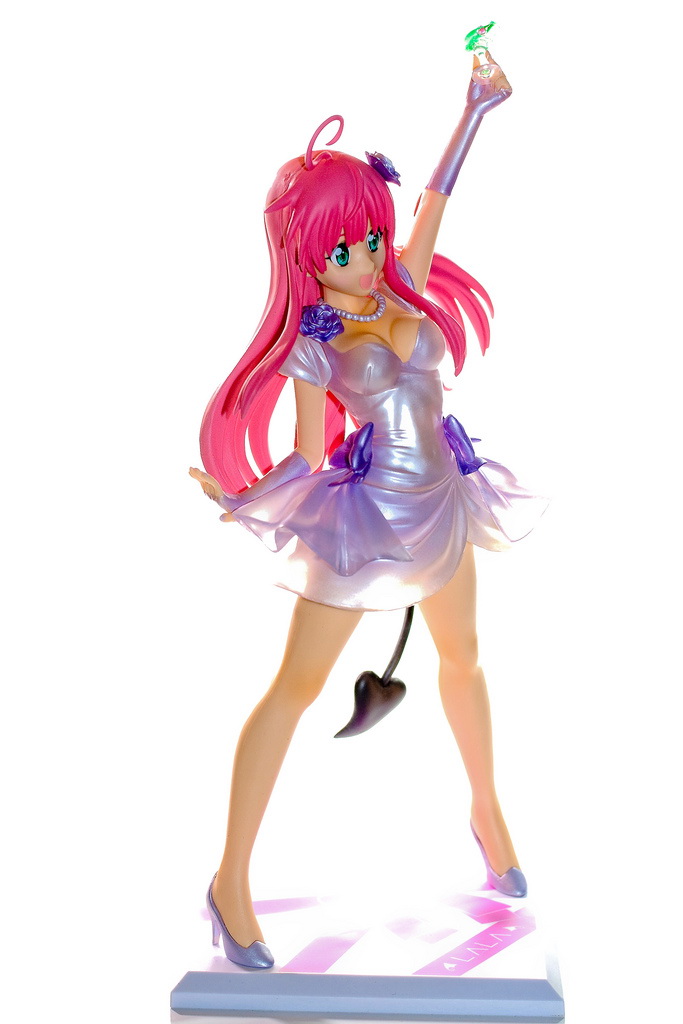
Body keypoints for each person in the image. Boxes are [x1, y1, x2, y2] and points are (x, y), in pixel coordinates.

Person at [190, 45, 545, 969]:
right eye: (341, 249)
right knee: (293, 689)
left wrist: (473, 109)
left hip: (444, 502)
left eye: (369, 240)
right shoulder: (315, 340)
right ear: (306, 255)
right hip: (366, 526)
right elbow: (309, 452)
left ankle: (486, 810)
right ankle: (229, 880)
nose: (365, 258)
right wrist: (244, 495)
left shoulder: (399, 284)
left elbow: (433, 203)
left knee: (463, 659)